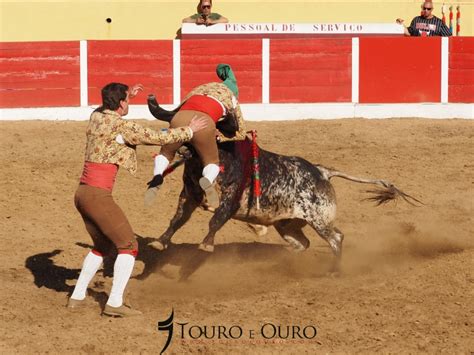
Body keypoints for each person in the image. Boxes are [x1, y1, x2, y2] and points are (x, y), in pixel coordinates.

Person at [67, 82, 207, 317]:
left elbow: (104, 109)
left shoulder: (96, 117)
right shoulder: (122, 127)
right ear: (121, 104)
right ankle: (114, 303)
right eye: (128, 100)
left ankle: (77, 297)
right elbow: (154, 136)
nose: (129, 103)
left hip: (82, 194)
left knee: (102, 246)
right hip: (98, 196)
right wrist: (189, 130)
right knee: (129, 246)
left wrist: (122, 96)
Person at [145, 64, 246, 209]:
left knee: (166, 152)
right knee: (212, 162)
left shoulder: (199, 89)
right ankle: (207, 179)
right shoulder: (231, 96)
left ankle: (158, 174)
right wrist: (221, 136)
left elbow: (172, 112)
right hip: (205, 123)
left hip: (179, 118)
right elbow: (241, 132)